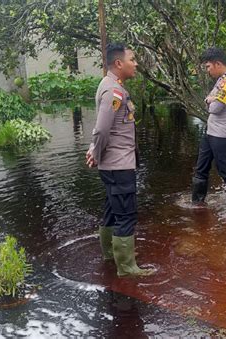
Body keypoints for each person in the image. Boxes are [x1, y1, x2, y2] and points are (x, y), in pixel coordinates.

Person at [86, 43, 153, 277]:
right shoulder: (114, 92)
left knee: (112, 209)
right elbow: (103, 129)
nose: (135, 64)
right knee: (126, 213)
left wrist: (94, 150)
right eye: (132, 59)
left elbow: (103, 128)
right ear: (118, 63)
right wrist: (95, 152)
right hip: (119, 164)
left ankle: (111, 254)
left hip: (114, 164)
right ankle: (126, 267)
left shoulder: (112, 86)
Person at [192, 48, 226, 204]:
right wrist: (210, 99)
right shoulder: (222, 80)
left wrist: (209, 100)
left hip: (222, 135)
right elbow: (210, 100)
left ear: (218, 63)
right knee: (201, 168)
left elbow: (215, 108)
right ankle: (197, 205)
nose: (207, 70)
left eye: (208, 66)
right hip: (211, 132)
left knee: (225, 171)